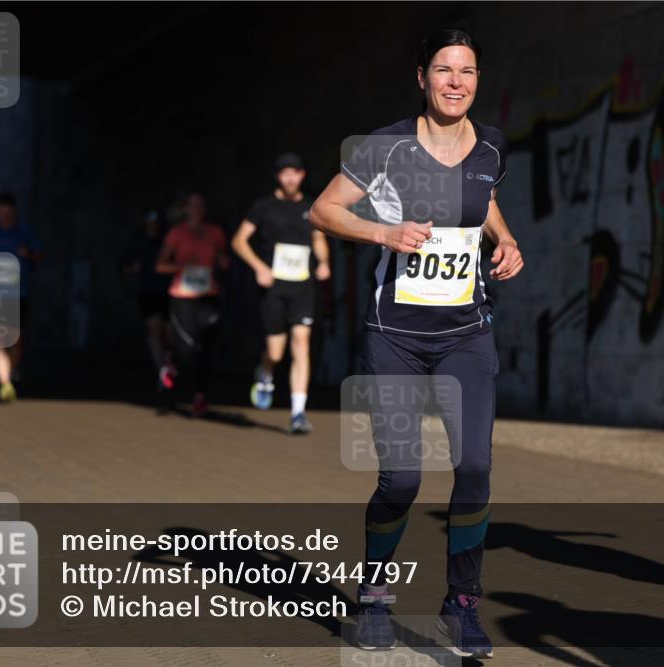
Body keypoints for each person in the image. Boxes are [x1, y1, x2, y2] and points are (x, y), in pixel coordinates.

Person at [310, 28, 523, 657]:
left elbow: (483, 202)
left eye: (468, 71)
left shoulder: (492, 146)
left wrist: (504, 241)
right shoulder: (384, 147)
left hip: (467, 335)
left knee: (476, 469)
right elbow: (323, 211)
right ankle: (375, 595)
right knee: (402, 477)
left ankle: (462, 605)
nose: (456, 82)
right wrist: (384, 234)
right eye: (444, 70)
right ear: (422, 78)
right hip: (395, 338)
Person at [232, 153, 331, 433]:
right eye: (285, 173)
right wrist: (259, 267)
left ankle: (298, 413)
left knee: (301, 343)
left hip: (303, 286)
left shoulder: (312, 206)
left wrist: (323, 262)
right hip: (273, 286)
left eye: (295, 173)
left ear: (302, 176)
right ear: (278, 176)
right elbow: (239, 241)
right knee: (275, 352)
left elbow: (318, 238)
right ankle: (265, 373)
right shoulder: (264, 206)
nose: (290, 178)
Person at [156, 193, 229, 417]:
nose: (196, 209)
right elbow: (160, 266)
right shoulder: (177, 233)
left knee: (206, 346)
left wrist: (224, 261)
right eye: (192, 206)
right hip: (183, 296)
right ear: (186, 209)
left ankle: (200, 396)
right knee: (187, 348)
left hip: (208, 295)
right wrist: (180, 265)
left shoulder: (215, 233)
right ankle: (172, 360)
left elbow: (223, 261)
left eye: (200, 205)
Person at [0, 192, 43, 402]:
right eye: (0, 213)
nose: (4, 216)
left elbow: (39, 256)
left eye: (7, 212)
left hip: (19, 292)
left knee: (16, 338)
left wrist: (28, 254)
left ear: (13, 212)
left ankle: (12, 370)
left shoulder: (25, 232)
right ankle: (5, 384)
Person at [121, 210, 173, 392]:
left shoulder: (166, 241)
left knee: (169, 334)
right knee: (154, 331)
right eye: (150, 221)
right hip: (147, 293)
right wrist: (132, 268)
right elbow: (124, 263)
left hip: (169, 293)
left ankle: (168, 363)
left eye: (156, 221)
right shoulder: (138, 242)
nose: (153, 225)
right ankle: (162, 371)